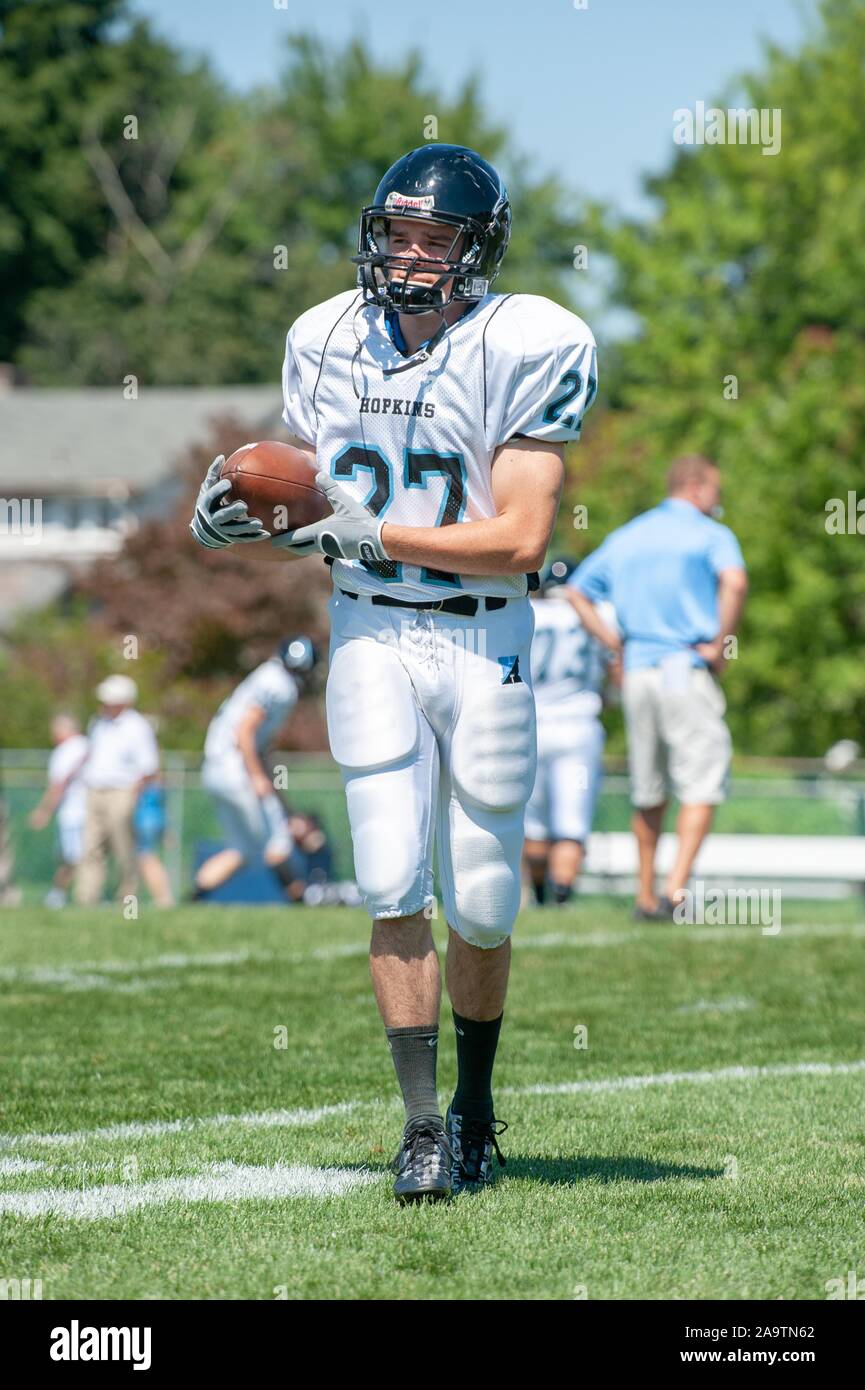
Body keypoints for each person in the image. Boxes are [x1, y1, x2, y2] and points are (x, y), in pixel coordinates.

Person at [190, 144, 598, 1201]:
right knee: (386, 879)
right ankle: (420, 1127)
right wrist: (240, 512)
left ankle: (473, 1104)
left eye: (435, 239)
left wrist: (377, 535)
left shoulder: (530, 341)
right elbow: (311, 497)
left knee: (487, 899)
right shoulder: (323, 336)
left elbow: (516, 537)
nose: (410, 258)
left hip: (485, 636)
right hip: (370, 632)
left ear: (478, 250)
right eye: (398, 236)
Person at [567, 455, 748, 919]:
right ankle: (676, 892)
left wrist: (614, 643)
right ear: (697, 487)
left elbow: (577, 592)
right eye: (716, 491)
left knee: (648, 789)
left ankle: (644, 895)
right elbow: (735, 581)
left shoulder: (629, 535)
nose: (718, 501)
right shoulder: (711, 535)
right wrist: (721, 644)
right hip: (683, 667)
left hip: (638, 673)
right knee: (702, 781)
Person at [523, 558, 617, 906]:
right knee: (571, 824)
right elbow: (615, 666)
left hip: (531, 726)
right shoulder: (601, 613)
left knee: (532, 826)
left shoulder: (527, 611)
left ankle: (540, 896)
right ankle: (561, 900)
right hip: (578, 727)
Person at [192, 638, 317, 898]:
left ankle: (191, 899)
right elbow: (245, 732)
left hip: (215, 768)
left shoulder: (267, 675)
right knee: (278, 838)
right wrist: (258, 778)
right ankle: (300, 900)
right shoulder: (279, 686)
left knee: (242, 849)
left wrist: (284, 804)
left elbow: (255, 744)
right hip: (234, 768)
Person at [75, 676, 160, 906]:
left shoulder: (137, 727)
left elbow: (148, 767)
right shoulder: (98, 723)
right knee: (91, 847)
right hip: (95, 790)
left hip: (122, 791)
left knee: (124, 849)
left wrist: (133, 796)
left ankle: (127, 899)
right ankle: (86, 900)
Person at [28, 713, 88, 908]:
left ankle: (73, 897)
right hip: (93, 812)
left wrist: (44, 811)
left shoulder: (65, 751)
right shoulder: (89, 745)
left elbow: (58, 785)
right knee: (81, 857)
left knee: (72, 858)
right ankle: (71, 895)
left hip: (73, 813)